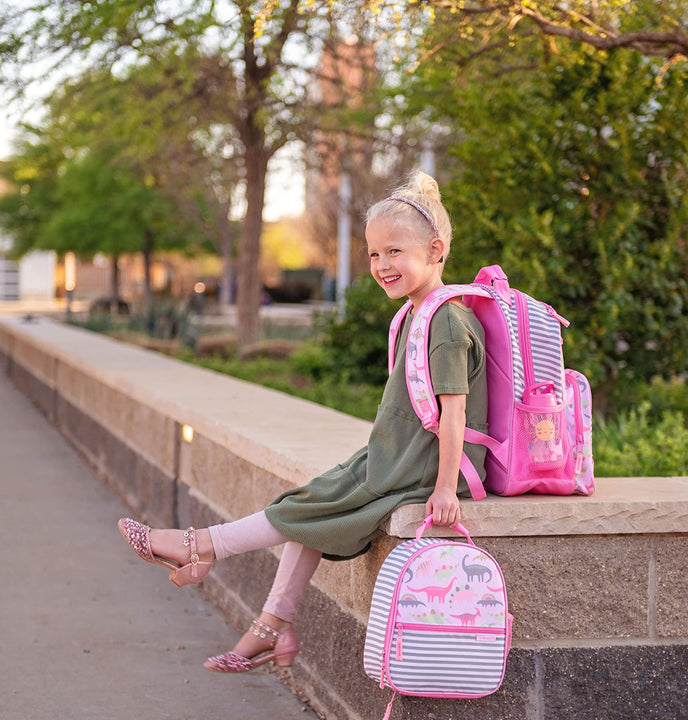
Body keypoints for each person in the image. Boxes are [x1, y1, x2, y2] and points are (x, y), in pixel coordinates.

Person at [118, 170, 488, 675]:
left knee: (307, 509)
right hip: (396, 459)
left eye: (395, 252)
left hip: (419, 472)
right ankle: (271, 627)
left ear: (435, 249)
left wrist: (446, 488)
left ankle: (198, 545)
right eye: (374, 254)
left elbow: (455, 413)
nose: (382, 265)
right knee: (307, 508)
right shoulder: (417, 313)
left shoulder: (445, 320)